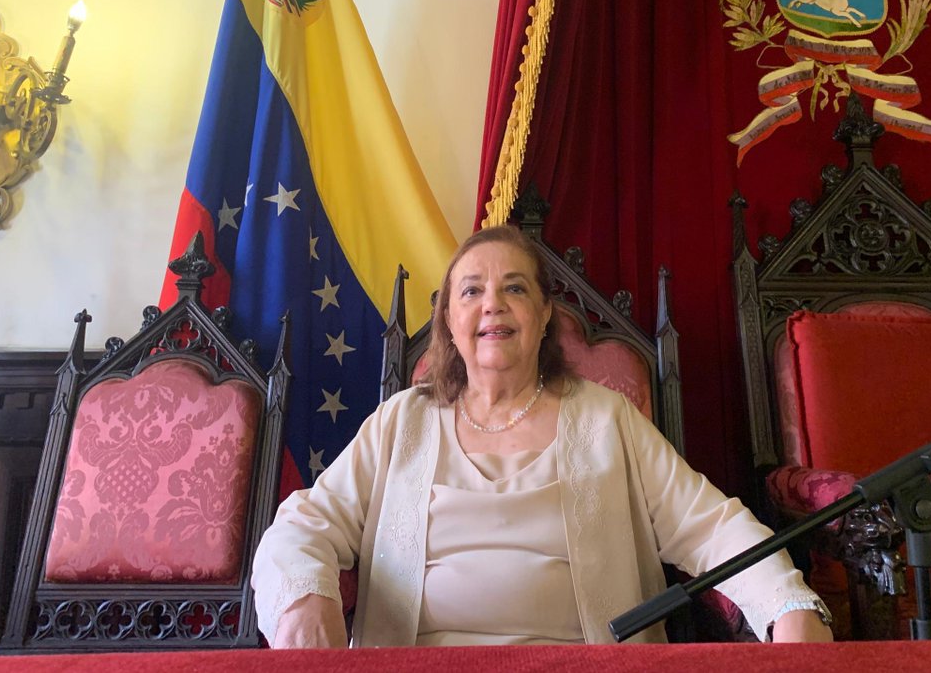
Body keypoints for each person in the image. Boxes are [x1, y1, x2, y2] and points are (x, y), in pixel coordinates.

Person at [251, 225, 833, 647]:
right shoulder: (401, 422)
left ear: (545, 313)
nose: (492, 306)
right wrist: (305, 595)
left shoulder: (607, 418)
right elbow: (305, 524)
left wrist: (787, 604)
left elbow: (711, 526)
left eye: (516, 288)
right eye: (471, 290)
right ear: (449, 320)